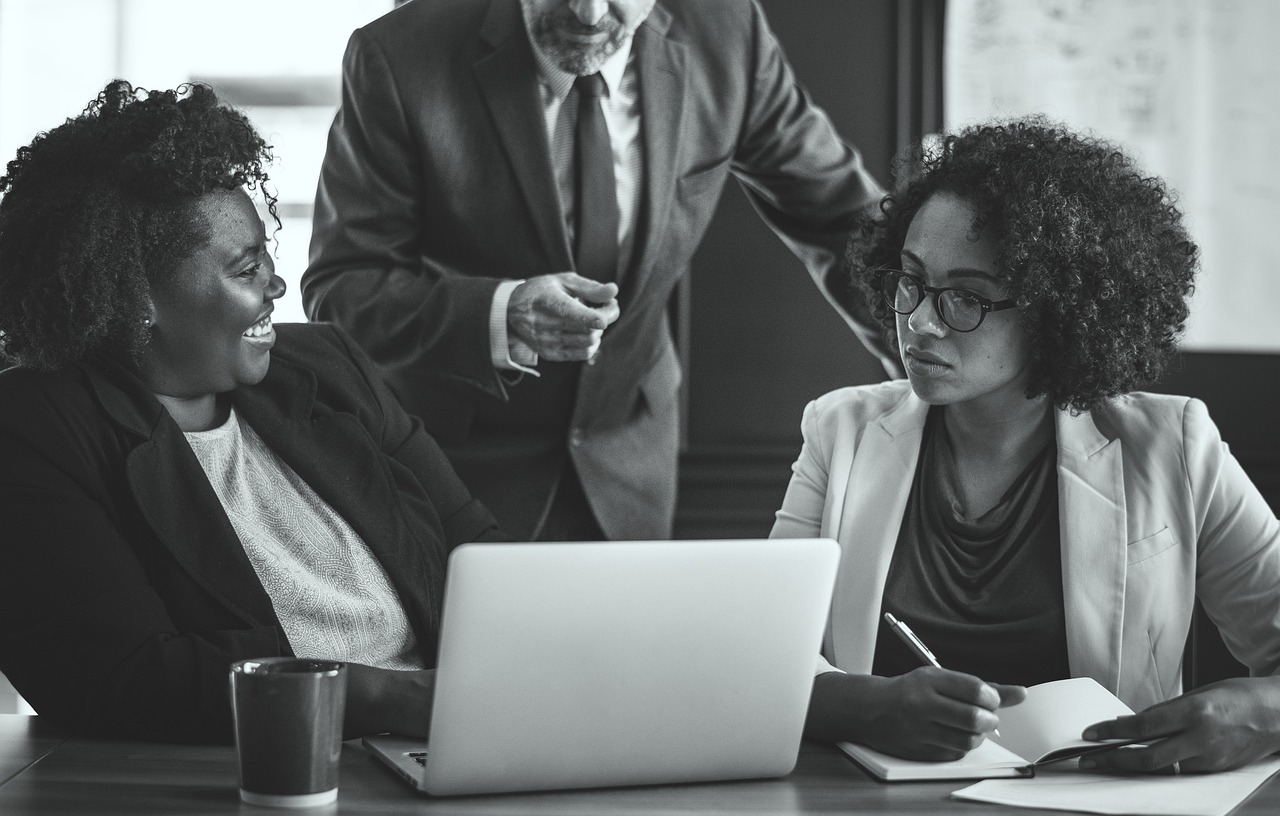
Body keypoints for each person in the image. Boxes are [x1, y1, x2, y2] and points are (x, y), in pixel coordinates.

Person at [0, 80, 506, 744]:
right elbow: (122, 677)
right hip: (260, 771)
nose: (276, 286)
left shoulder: (327, 367)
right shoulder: (35, 430)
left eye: (267, 257)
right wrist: (385, 698)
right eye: (244, 270)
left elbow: (478, 548)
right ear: (135, 300)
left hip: (448, 743)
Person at [772, 117, 1280, 773]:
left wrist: (1264, 716)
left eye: (965, 298)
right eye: (911, 280)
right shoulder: (839, 429)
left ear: (1057, 311)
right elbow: (768, 655)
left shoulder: (1174, 447)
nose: (920, 322)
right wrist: (865, 706)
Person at [301, 0, 897, 542]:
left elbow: (846, 222)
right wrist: (501, 314)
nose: (588, 14)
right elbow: (343, 286)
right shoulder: (398, 55)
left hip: (631, 460)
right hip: (453, 468)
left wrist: (937, 365)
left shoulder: (727, 34)